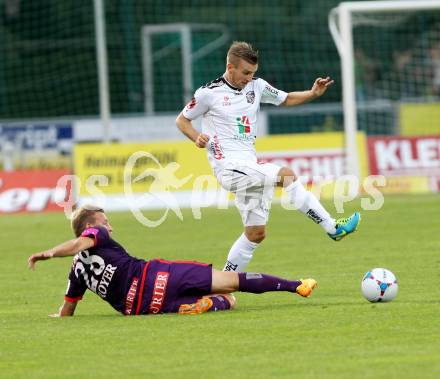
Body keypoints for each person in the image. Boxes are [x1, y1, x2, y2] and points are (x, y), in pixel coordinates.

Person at [176, 41, 361, 273]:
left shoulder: (257, 86)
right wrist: (196, 137)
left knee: (255, 234)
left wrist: (313, 93)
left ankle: (222, 288)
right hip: (229, 167)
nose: (249, 78)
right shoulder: (208, 93)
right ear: (230, 67)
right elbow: (182, 120)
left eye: (253, 73)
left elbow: (286, 99)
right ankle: (332, 227)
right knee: (287, 176)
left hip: (249, 166)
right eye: (245, 72)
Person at [27, 205, 318, 317]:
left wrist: (55, 318)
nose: (110, 227)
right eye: (106, 221)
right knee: (231, 287)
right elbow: (82, 242)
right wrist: (50, 251)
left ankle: (207, 305)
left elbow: (67, 310)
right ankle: (296, 286)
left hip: (142, 307)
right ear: (92, 226)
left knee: (223, 302)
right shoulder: (96, 233)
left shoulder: (76, 271)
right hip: (156, 276)